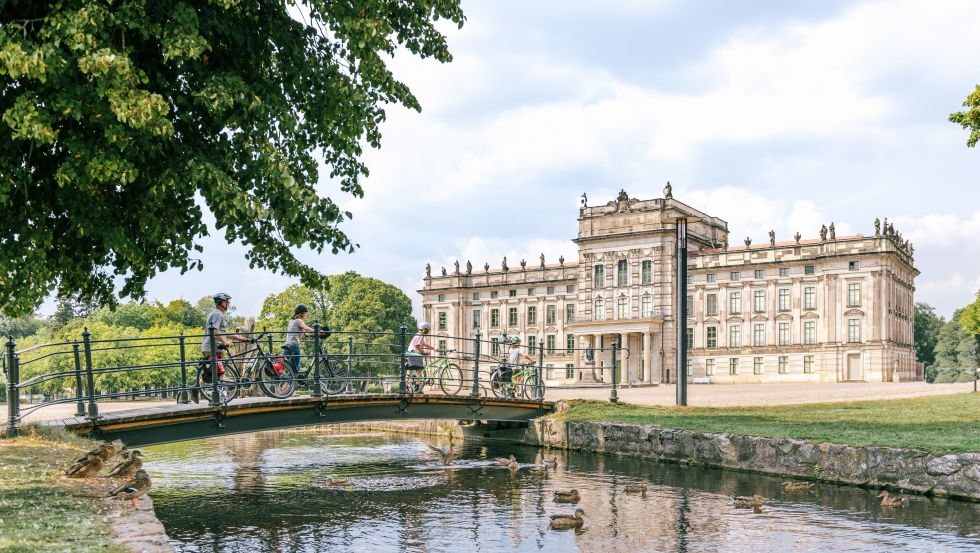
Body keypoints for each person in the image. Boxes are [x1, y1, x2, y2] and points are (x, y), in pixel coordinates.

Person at [194, 292, 249, 403]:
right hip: (212, 348)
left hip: (215, 348)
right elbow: (215, 331)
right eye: (227, 301)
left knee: (218, 372)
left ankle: (219, 393)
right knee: (214, 373)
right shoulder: (218, 314)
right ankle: (200, 390)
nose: (228, 303)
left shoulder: (217, 313)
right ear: (221, 302)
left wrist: (236, 337)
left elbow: (221, 331)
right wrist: (225, 342)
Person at [283, 304, 315, 377]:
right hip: (293, 346)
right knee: (295, 369)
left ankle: (285, 387)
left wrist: (307, 335)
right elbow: (305, 327)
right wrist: (316, 331)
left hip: (286, 346)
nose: (306, 315)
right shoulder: (299, 320)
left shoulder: (291, 321)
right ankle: (285, 388)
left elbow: (299, 331)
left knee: (293, 368)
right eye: (305, 313)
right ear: (301, 314)